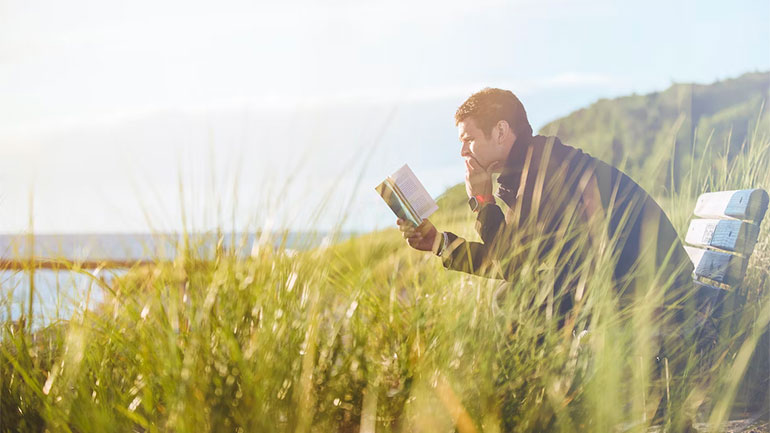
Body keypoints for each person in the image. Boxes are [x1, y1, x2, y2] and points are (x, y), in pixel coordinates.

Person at [396, 88, 699, 428]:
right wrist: (439, 242)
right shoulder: (534, 166)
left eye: (468, 139)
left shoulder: (543, 173)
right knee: (516, 298)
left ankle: (548, 414)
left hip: (651, 292)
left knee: (515, 301)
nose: (463, 151)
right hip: (633, 282)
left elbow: (511, 264)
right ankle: (548, 411)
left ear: (500, 131)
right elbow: (514, 261)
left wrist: (481, 199)